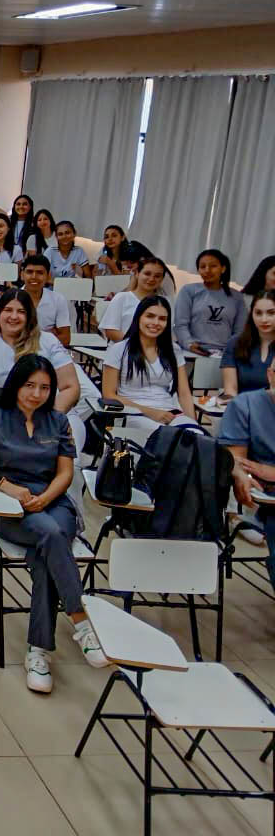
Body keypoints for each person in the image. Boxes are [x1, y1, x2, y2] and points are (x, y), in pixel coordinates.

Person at [0, 355, 109, 693]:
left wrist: (47, 497)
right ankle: (80, 623)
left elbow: (65, 472)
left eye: (44, 387)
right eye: (30, 385)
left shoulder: (58, 421)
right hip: (10, 507)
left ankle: (39, 651)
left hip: (53, 503)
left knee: (50, 541)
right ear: (16, 384)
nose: (37, 393)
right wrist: (6, 487)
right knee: (51, 539)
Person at [0, 290, 93, 479]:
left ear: (30, 316)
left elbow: (71, 387)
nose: (14, 317)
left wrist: (47, 416)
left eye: (21, 311)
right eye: (8, 310)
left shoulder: (48, 341)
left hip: (52, 413)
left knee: (69, 469)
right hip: (4, 417)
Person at [102, 295, 199, 439]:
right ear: (139, 317)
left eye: (162, 319)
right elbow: (109, 395)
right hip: (133, 413)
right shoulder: (119, 350)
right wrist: (151, 412)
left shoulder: (174, 350)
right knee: (167, 440)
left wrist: (193, 423)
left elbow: (184, 393)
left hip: (169, 412)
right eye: (150, 316)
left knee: (196, 438)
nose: (155, 323)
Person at [218, 361, 275, 589]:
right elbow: (238, 462)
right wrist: (243, 474)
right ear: (271, 375)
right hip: (268, 500)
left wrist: (271, 472)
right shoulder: (246, 405)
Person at [174, 249, 246, 356]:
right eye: (202, 267)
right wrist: (189, 344)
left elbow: (240, 331)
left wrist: (230, 351)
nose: (207, 270)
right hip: (192, 352)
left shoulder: (237, 297)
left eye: (213, 266)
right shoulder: (188, 291)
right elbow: (180, 324)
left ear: (223, 268)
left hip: (225, 355)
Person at [99, 255, 170, 342]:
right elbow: (111, 331)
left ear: (162, 279)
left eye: (157, 276)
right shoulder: (122, 298)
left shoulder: (165, 302)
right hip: (123, 350)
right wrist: (136, 346)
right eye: (147, 274)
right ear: (137, 274)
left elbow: (167, 333)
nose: (151, 279)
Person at [222, 291, 275, 400]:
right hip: (242, 408)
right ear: (251, 314)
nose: (264, 319)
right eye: (258, 313)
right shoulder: (235, 343)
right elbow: (230, 389)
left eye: (271, 313)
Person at [20, 255, 72, 346]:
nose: (34, 277)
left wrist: (30, 339)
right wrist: (49, 336)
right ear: (22, 275)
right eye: (29, 272)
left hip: (48, 352)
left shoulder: (58, 299)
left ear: (48, 276)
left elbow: (65, 338)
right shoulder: (11, 298)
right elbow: (5, 336)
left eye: (40, 273)